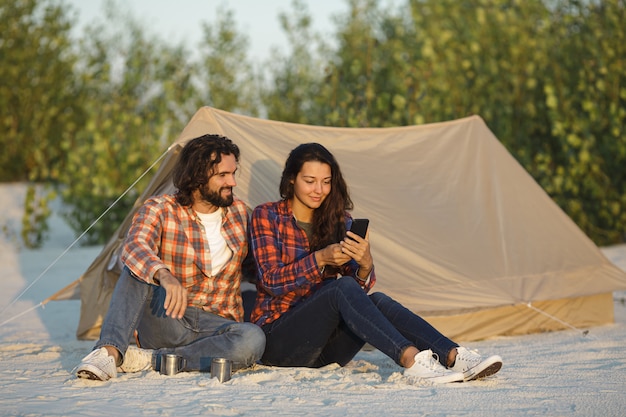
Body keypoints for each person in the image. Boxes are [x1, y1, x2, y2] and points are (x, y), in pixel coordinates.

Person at [249, 142, 502, 384]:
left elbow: (356, 295)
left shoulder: (338, 220)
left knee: (377, 300)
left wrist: (365, 264)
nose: (319, 190)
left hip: (325, 352)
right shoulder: (267, 216)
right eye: (310, 181)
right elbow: (270, 281)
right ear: (291, 179)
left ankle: (453, 356)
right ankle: (412, 360)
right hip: (279, 344)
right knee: (340, 287)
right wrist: (320, 258)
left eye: (326, 182)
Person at [74, 134, 266, 381]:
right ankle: (109, 352)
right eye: (222, 176)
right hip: (167, 317)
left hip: (216, 326)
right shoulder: (160, 208)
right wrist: (163, 274)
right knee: (138, 265)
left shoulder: (239, 212)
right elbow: (133, 246)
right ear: (197, 176)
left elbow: (253, 267)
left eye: (233, 173)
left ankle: (151, 359)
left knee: (252, 339)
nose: (232, 182)